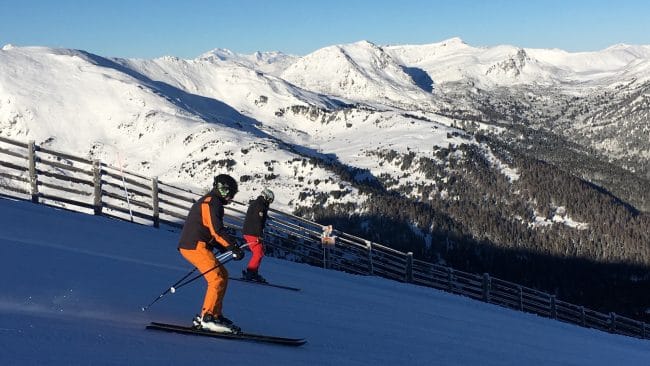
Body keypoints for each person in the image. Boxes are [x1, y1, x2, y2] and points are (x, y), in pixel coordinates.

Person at [177, 174, 245, 333]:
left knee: (223, 274)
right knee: (217, 278)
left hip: (197, 244)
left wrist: (223, 246)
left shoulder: (211, 201)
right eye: (231, 194)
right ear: (223, 190)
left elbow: (208, 228)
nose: (231, 198)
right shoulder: (211, 203)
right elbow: (216, 230)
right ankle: (207, 317)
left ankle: (214, 314)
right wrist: (232, 247)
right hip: (195, 246)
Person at [241, 188, 274, 283]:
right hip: (252, 232)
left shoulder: (259, 204)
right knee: (258, 253)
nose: (270, 202)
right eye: (270, 200)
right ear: (266, 197)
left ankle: (253, 272)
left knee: (260, 252)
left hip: (251, 232)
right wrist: (259, 234)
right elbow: (257, 221)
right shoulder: (260, 205)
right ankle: (250, 272)